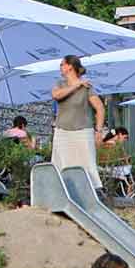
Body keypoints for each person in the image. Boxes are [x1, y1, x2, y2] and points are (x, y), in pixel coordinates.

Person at [50, 54, 106, 187]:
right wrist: (76, 85)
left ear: (70, 66)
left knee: (87, 166)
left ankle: (91, 196)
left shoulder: (87, 87)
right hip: (62, 132)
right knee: (60, 166)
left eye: (62, 64)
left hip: (82, 132)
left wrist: (98, 130)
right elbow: (56, 95)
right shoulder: (60, 84)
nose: (60, 67)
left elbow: (100, 108)